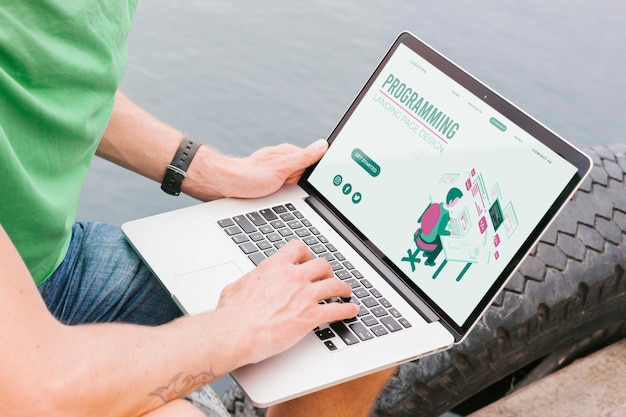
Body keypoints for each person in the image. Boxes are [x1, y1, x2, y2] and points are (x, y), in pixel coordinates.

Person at [0, 2, 395, 416]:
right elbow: (39, 390)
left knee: (352, 313)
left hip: (51, 265)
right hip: (27, 353)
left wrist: (208, 170)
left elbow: (51, 73)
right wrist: (240, 327)